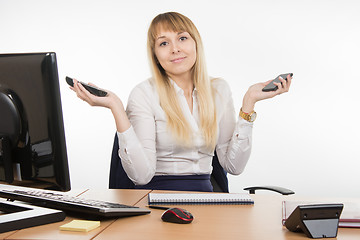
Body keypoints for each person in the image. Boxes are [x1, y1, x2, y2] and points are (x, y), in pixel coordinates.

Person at [71, 12, 292, 192]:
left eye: (182, 38)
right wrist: (116, 108)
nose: (175, 48)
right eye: (164, 43)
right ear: (155, 54)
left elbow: (234, 166)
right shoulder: (144, 94)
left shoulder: (218, 89)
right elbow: (141, 175)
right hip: (155, 199)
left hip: (208, 200)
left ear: (196, 43)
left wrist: (249, 104)